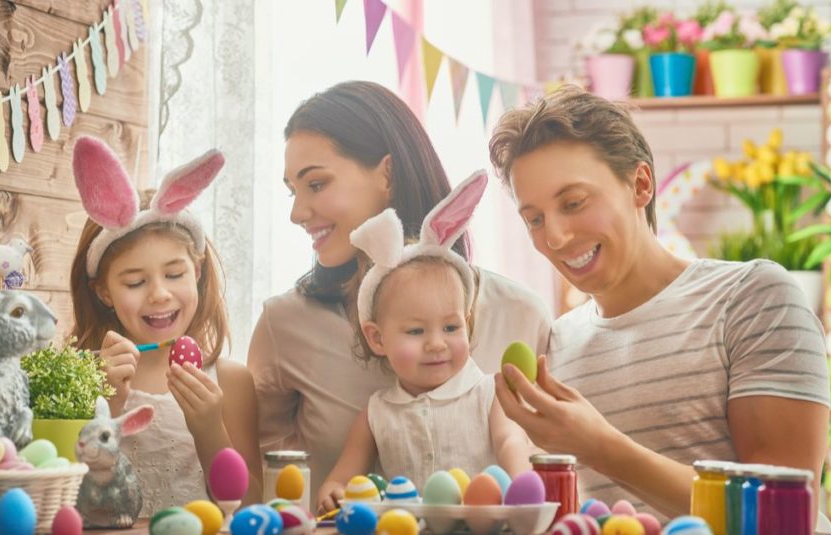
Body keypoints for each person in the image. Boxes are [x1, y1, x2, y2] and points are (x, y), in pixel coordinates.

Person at [487, 86, 830, 520]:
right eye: (534, 219)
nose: (554, 237)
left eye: (573, 203)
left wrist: (599, 446)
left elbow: (777, 514)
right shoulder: (555, 345)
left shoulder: (753, 298)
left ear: (641, 184)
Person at [247, 81, 552, 501]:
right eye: (292, 191)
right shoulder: (284, 325)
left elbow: (556, 469)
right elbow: (263, 491)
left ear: (387, 174)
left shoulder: (521, 313)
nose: (297, 213)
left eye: (315, 185)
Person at [314, 172, 534, 513]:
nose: (436, 344)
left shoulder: (490, 393)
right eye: (416, 332)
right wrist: (333, 489)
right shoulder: (377, 412)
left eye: (450, 327)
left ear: (468, 324)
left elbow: (510, 440)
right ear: (377, 338)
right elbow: (344, 476)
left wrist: (520, 480)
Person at [68, 137, 262, 515]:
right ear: (104, 292)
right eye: (135, 283)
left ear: (198, 271)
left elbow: (250, 510)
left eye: (174, 274)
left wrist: (209, 430)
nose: (159, 294)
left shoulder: (231, 382)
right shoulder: (82, 376)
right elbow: (56, 492)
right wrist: (103, 405)